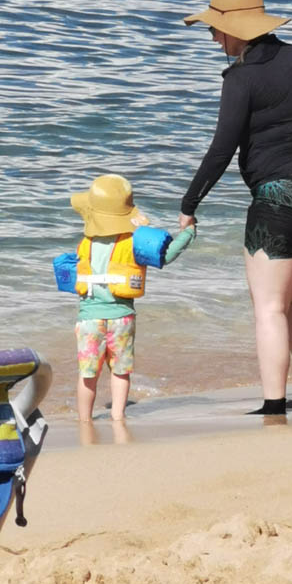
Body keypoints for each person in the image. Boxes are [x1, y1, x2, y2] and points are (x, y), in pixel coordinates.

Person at [179, 0, 292, 416]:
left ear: (236, 30)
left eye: (217, 30)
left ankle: (273, 404)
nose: (215, 39)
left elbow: (222, 147)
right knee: (286, 298)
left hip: (280, 199)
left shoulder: (241, 77)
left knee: (269, 305)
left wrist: (189, 203)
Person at [60, 173, 195, 422]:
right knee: (120, 371)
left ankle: (84, 420)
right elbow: (166, 256)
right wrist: (188, 233)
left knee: (87, 374)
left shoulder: (84, 244)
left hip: (89, 320)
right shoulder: (134, 243)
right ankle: (118, 416)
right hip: (121, 319)